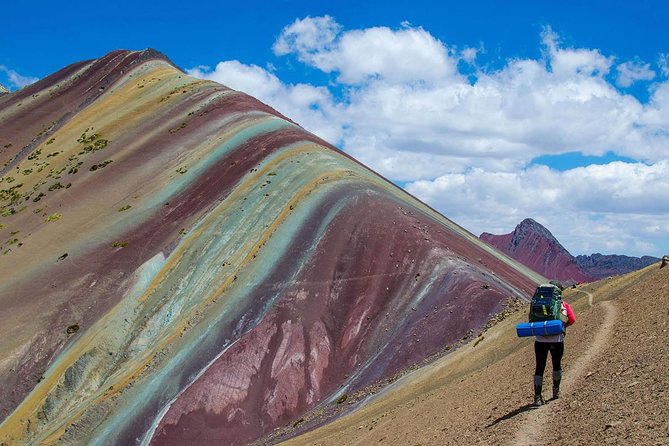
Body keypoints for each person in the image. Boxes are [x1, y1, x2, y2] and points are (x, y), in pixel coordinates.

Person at [533, 284, 576, 406]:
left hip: (540, 340)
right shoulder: (563, 304)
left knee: (539, 367)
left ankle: (537, 396)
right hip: (557, 340)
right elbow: (572, 320)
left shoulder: (539, 303)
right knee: (556, 365)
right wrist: (561, 327)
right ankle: (555, 391)